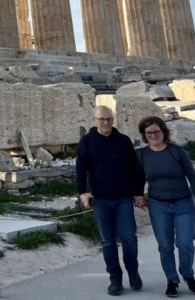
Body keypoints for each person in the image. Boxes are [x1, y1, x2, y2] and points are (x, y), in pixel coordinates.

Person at [76, 105, 145, 296]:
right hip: (101, 199)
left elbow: (134, 169)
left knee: (129, 238)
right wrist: (82, 191)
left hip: (123, 197)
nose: (105, 122)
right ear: (94, 119)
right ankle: (115, 279)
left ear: (113, 120)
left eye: (108, 119)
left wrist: (138, 193)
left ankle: (133, 272)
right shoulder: (87, 141)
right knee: (107, 242)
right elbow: (81, 168)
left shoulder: (123, 141)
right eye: (101, 119)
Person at [136, 116, 195, 297]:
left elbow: (192, 176)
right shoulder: (142, 154)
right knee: (165, 246)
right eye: (149, 132)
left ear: (163, 131)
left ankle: (188, 274)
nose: (153, 135)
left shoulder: (176, 151)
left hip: (183, 203)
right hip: (158, 205)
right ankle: (172, 280)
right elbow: (138, 179)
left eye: (156, 131)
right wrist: (137, 196)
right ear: (144, 135)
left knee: (185, 243)